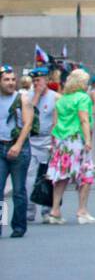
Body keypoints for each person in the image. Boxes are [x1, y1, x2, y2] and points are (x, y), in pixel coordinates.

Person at [46, 68, 95, 225]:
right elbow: (84, 120)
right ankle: (82, 210)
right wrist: (88, 140)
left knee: (61, 175)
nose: (88, 85)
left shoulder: (61, 99)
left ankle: (55, 210)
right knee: (86, 173)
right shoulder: (83, 98)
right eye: (86, 82)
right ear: (81, 83)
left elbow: (54, 123)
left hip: (61, 140)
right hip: (77, 139)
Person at [0, 63, 34, 239]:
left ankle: (19, 227)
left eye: (13, 79)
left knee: (19, 190)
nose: (11, 82)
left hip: (19, 148)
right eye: (6, 80)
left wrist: (18, 145)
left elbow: (28, 123)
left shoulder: (22, 98)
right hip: (1, 147)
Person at [24, 65, 58, 224]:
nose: (38, 83)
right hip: (31, 140)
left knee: (48, 176)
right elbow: (28, 115)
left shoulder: (56, 97)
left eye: (40, 80)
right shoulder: (27, 96)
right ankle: (29, 210)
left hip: (48, 140)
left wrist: (55, 141)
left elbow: (56, 121)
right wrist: (36, 96)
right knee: (29, 176)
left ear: (47, 80)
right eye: (35, 80)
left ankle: (47, 209)